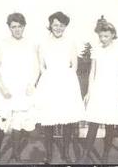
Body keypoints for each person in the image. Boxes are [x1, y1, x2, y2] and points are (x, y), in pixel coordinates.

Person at [35, 11, 85, 163]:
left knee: (67, 119)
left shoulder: (70, 42)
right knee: (49, 119)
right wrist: (49, 77)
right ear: (50, 25)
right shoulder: (43, 42)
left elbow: (74, 65)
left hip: (67, 82)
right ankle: (49, 154)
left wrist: (65, 78)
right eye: (55, 25)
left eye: (61, 25)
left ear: (65, 26)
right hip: (49, 82)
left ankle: (65, 152)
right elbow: (41, 65)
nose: (58, 28)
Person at [0, 12, 39, 162]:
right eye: (13, 27)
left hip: (23, 88)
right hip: (7, 88)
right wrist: (2, 87)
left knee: (18, 122)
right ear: (9, 28)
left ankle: (16, 153)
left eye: (19, 26)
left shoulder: (31, 44)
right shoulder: (2, 44)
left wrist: (32, 83)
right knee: (2, 121)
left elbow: (36, 67)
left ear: (24, 26)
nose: (17, 29)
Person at [82, 15, 118, 163]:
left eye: (106, 36)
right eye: (101, 36)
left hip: (114, 90)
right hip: (98, 90)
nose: (103, 38)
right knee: (94, 122)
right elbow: (92, 72)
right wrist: (89, 92)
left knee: (110, 124)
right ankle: (85, 156)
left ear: (113, 35)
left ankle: (105, 155)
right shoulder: (96, 50)